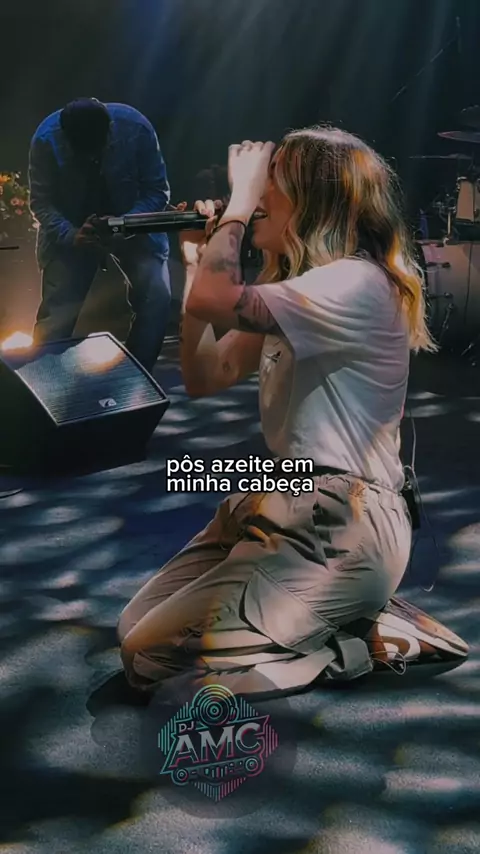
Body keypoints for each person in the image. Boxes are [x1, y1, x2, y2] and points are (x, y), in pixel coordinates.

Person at [117, 126, 438, 697]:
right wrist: (196, 257)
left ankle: (352, 639)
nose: (258, 193)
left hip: (342, 519)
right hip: (276, 495)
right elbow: (207, 374)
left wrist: (237, 208)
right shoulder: (300, 287)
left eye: (272, 182)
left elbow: (217, 300)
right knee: (132, 629)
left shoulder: (355, 281)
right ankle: (328, 617)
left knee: (152, 658)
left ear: (317, 201)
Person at [28, 98, 171, 372]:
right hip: (71, 229)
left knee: (156, 299)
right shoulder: (45, 139)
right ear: (66, 139)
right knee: (56, 318)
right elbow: (41, 202)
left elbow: (157, 191)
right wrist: (71, 234)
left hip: (133, 225)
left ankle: (135, 380)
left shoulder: (136, 128)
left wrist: (124, 224)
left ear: (110, 132)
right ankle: (40, 385)